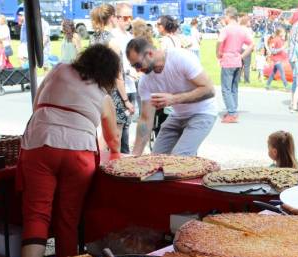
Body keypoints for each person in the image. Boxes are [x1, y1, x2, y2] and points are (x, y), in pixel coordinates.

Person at [19, 44, 121, 257]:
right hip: (79, 153)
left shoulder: (59, 70)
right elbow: (113, 140)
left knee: (37, 215)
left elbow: (38, 105)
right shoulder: (103, 97)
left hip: (40, 144)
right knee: (68, 220)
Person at [126, 37, 217, 156]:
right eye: (134, 66)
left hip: (203, 112)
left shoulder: (181, 58)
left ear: (150, 53)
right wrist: (135, 157)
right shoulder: (145, 81)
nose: (137, 70)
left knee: (179, 159)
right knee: (155, 161)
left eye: (138, 64)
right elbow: (145, 119)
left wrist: (173, 99)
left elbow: (209, 89)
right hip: (177, 116)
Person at [90, 4, 135, 146]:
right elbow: (118, 75)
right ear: (111, 18)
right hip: (113, 93)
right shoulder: (112, 41)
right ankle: (110, 166)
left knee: (103, 133)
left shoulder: (94, 38)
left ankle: (98, 162)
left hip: (98, 89)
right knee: (115, 134)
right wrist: (126, 101)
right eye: (115, 16)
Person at [216, 7, 253, 123]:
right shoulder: (242, 29)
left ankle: (231, 113)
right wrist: (242, 56)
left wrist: (218, 53)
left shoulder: (226, 29)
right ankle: (233, 109)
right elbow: (252, 44)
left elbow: (219, 41)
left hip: (227, 61)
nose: (224, 18)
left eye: (224, 16)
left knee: (226, 88)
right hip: (238, 61)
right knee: (234, 88)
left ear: (228, 16)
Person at [111, 2, 136, 153]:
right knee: (118, 127)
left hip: (131, 85)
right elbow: (115, 68)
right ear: (117, 18)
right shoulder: (113, 37)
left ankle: (123, 157)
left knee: (127, 124)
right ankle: (118, 158)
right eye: (125, 18)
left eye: (130, 17)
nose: (128, 21)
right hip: (119, 87)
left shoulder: (129, 36)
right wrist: (127, 72)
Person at [239, 16, 253, 84]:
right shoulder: (248, 30)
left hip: (239, 48)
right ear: (246, 22)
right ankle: (246, 80)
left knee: (239, 65)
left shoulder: (238, 28)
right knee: (247, 65)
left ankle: (238, 79)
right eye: (249, 21)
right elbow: (251, 40)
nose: (250, 22)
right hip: (246, 48)